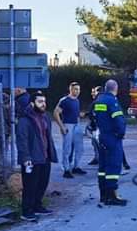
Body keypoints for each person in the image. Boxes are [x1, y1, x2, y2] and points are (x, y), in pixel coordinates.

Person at [16, 91, 58, 221]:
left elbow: (48, 137)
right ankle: (26, 211)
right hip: (32, 159)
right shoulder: (25, 120)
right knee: (30, 186)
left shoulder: (45, 117)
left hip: (44, 157)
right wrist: (26, 159)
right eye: (40, 102)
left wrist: (51, 153)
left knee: (42, 184)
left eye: (44, 101)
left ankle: (37, 206)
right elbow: (22, 141)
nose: (43, 104)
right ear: (32, 103)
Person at [93, 79, 127, 206]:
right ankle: (112, 196)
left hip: (101, 136)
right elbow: (118, 119)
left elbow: (93, 116)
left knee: (103, 166)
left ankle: (103, 195)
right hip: (112, 138)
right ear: (115, 89)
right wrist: (121, 133)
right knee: (113, 165)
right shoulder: (112, 101)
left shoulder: (99, 99)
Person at [53, 82, 85, 178]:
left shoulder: (77, 101)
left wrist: (80, 115)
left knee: (79, 148)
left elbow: (75, 112)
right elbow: (55, 113)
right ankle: (66, 169)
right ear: (70, 89)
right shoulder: (64, 100)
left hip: (77, 124)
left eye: (78, 89)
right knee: (67, 148)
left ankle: (76, 167)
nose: (77, 91)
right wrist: (62, 126)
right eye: (75, 89)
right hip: (68, 125)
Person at [86, 86, 102, 166]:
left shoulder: (99, 101)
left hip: (98, 127)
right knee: (94, 143)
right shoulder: (96, 101)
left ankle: (101, 159)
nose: (92, 93)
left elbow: (95, 114)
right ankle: (97, 158)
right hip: (95, 126)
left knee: (98, 144)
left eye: (94, 91)